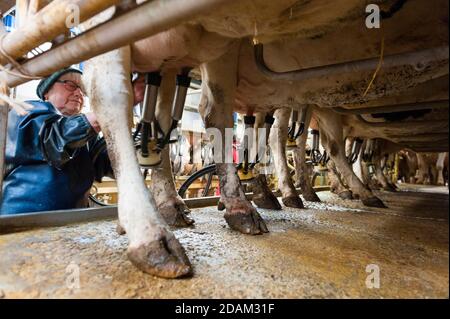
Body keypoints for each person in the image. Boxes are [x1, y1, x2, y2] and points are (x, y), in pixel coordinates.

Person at [0, 68, 113, 215]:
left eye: (83, 90)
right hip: (23, 220)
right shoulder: (26, 113)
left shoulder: (86, 135)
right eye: (71, 85)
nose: (79, 93)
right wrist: (108, 112)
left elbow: (104, 162)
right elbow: (54, 139)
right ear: (46, 91)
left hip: (71, 222)